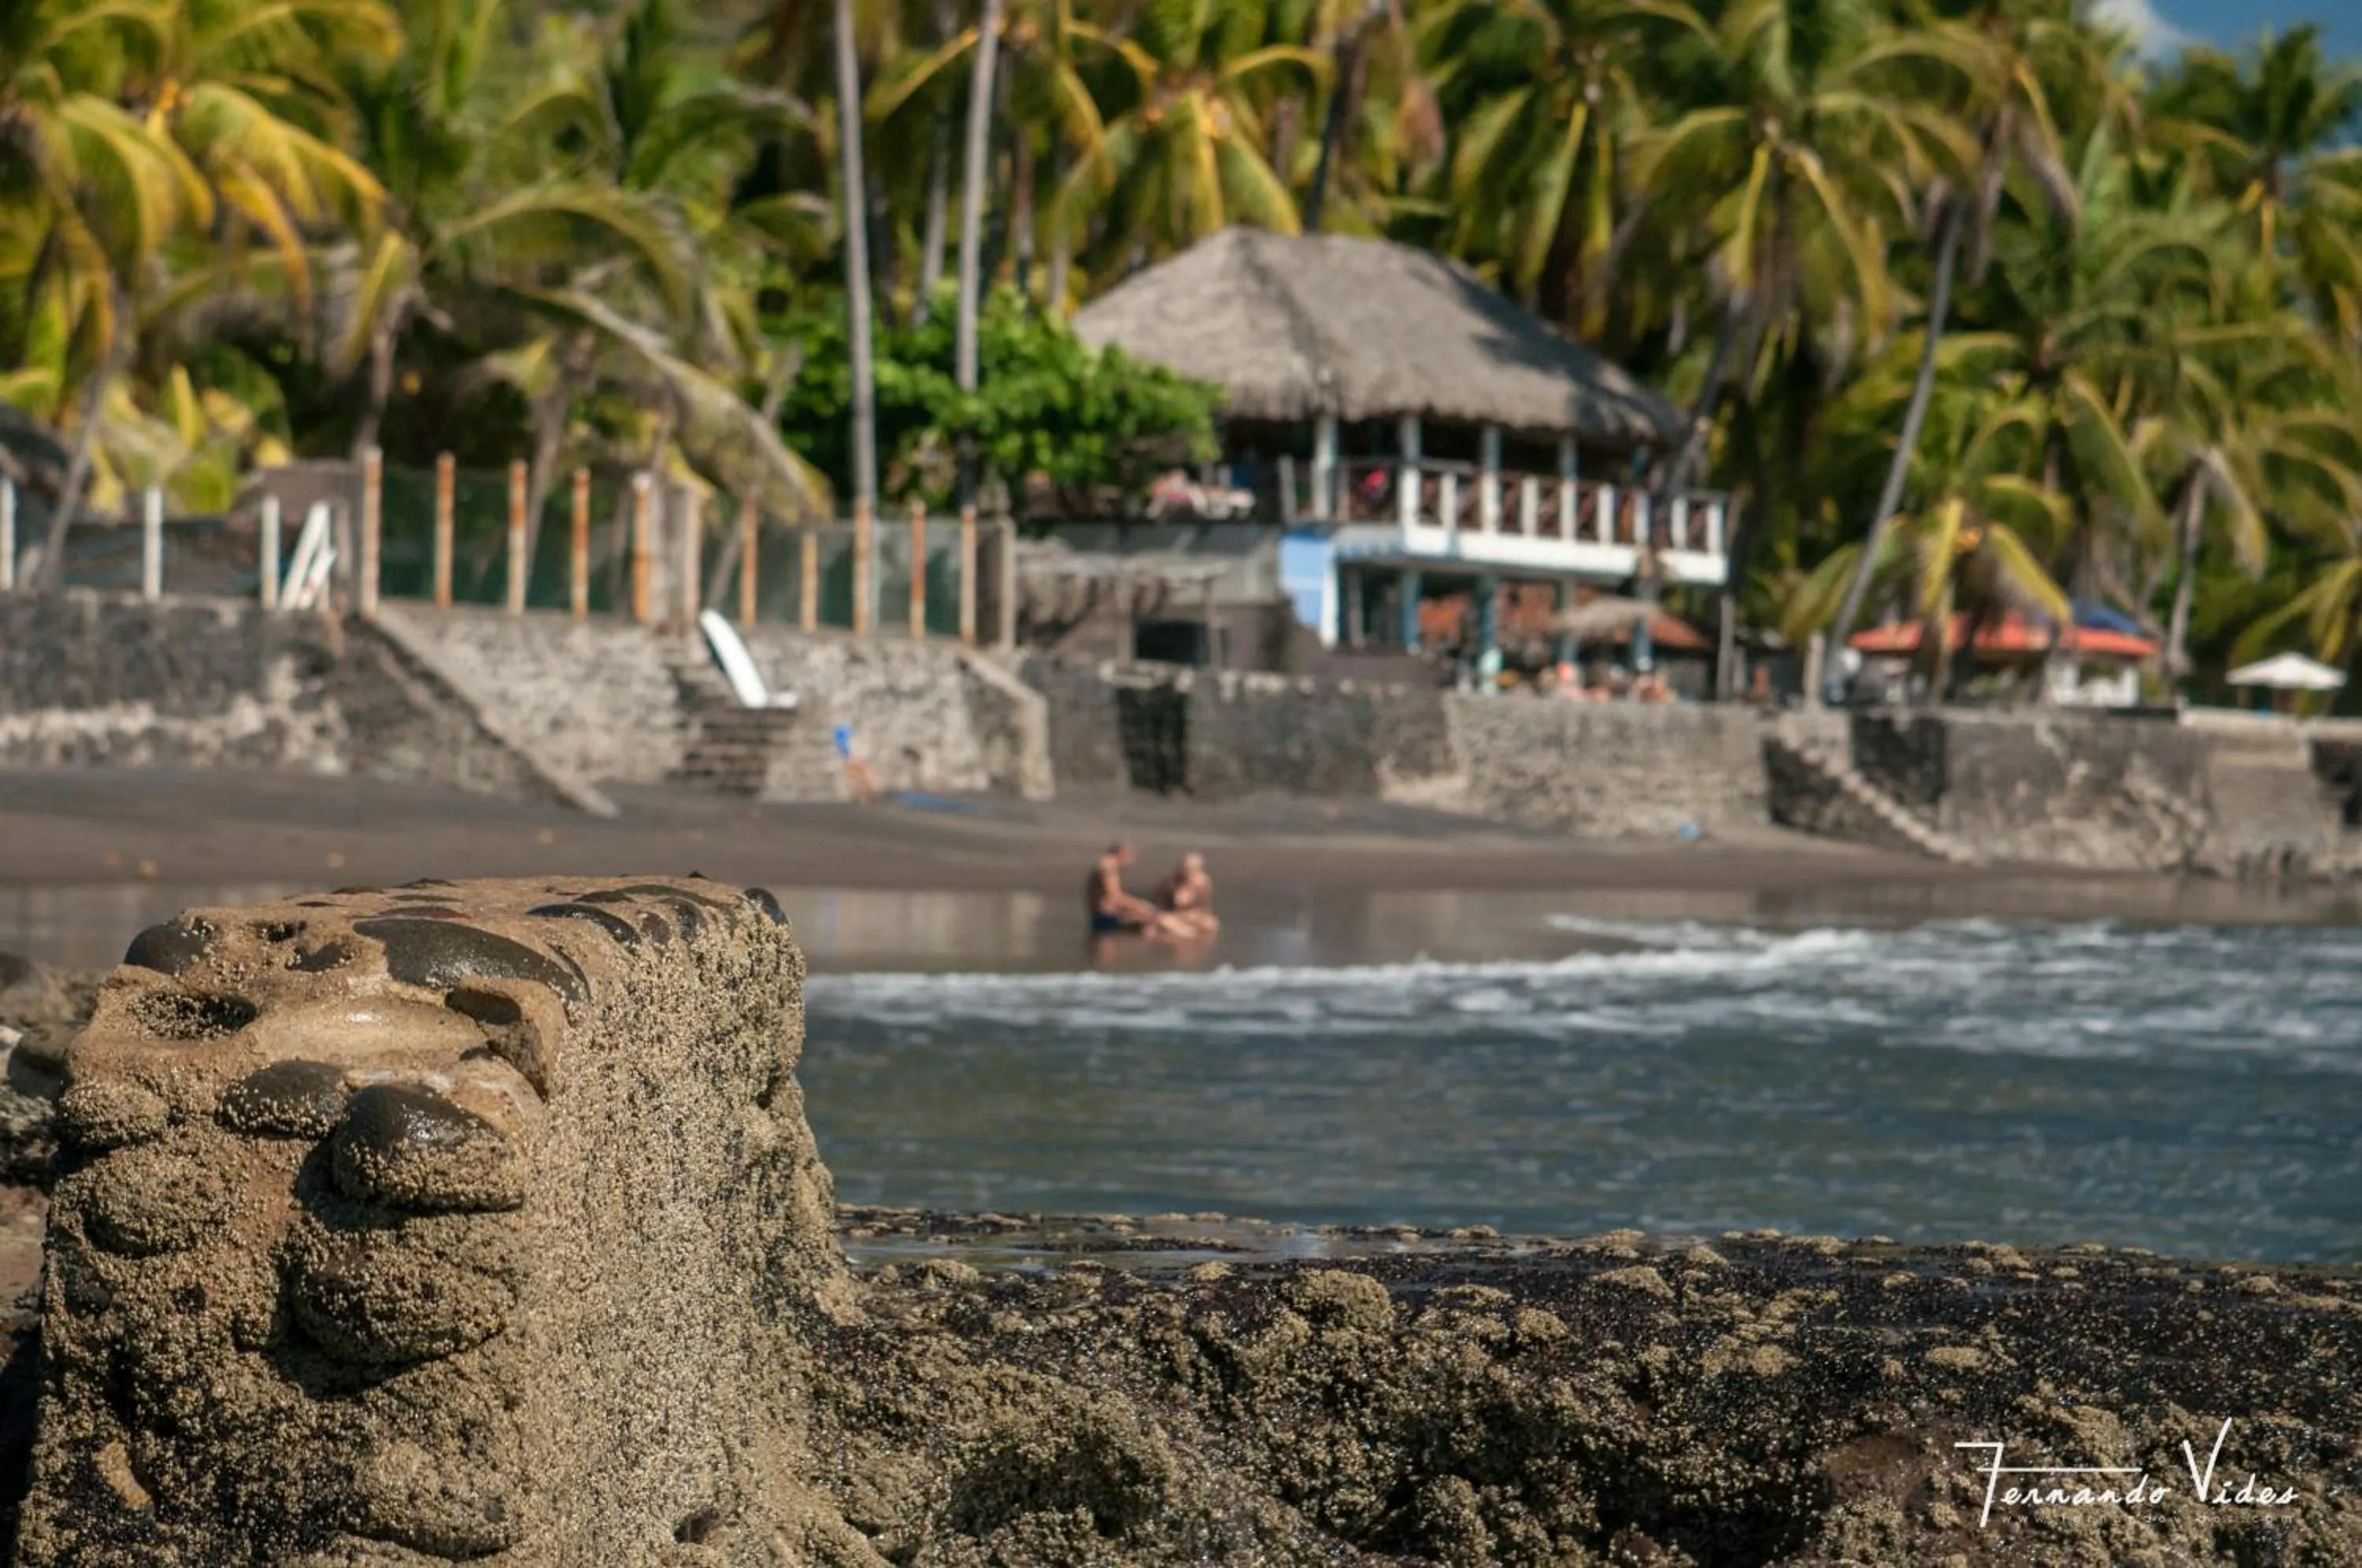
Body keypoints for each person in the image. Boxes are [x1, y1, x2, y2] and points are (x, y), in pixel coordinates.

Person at [1084, 841, 1172, 937]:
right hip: (1106, 919)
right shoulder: (1109, 867)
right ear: (1123, 855)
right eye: (1131, 858)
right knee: (1157, 920)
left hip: (1104, 918)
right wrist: (1141, 906)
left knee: (1158, 919)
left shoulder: (1107, 866)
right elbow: (1114, 897)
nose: (1131, 863)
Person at [1155, 852, 1220, 940]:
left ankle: (1189, 934)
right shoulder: (1171, 882)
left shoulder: (1204, 883)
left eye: (1192, 869)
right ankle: (1187, 934)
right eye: (1186, 868)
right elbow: (1162, 907)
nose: (1188, 871)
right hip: (1173, 915)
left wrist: (1195, 915)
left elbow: (1206, 908)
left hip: (1193, 916)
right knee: (1165, 921)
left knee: (1212, 924)